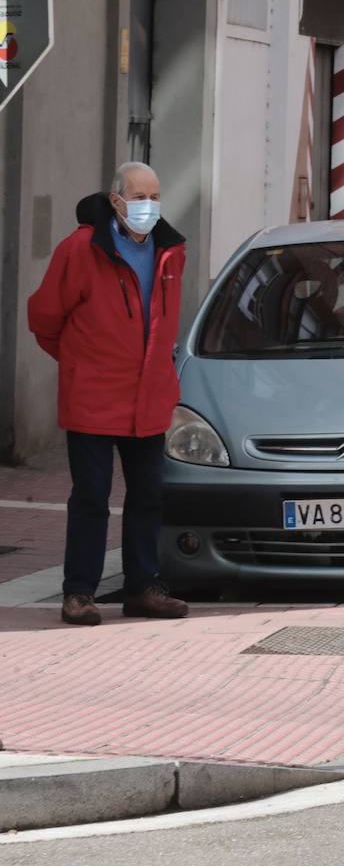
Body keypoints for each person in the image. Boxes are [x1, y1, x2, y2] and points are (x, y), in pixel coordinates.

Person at [26, 163, 191, 625]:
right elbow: (43, 318)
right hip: (93, 398)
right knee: (91, 498)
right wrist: (80, 363)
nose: (148, 206)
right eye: (139, 197)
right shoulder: (80, 249)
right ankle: (79, 593)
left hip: (149, 396)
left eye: (154, 196)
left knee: (147, 497)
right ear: (116, 200)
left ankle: (141, 588)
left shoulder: (170, 251)